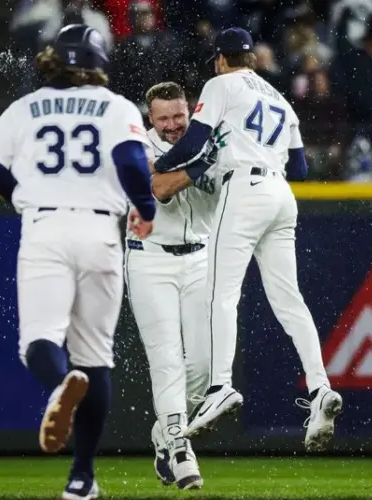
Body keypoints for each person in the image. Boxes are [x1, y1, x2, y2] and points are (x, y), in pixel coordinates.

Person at [0, 24, 155, 500]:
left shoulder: (24, 107)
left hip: (45, 229)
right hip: (101, 232)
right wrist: (148, 208)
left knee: (39, 342)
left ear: (53, 58)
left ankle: (60, 385)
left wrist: (23, 196)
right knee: (96, 358)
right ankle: (81, 477)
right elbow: (135, 166)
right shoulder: (116, 106)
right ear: (99, 61)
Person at [153, 27, 343, 451]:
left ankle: (220, 385)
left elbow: (195, 141)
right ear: (252, 58)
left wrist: (160, 166)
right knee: (290, 300)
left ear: (221, 59)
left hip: (245, 190)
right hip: (282, 195)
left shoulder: (220, 83)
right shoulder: (279, 98)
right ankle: (320, 388)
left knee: (221, 293)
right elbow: (301, 169)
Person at [124, 81, 220, 490]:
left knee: (202, 365)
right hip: (150, 259)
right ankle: (181, 449)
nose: (172, 124)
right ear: (151, 119)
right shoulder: (135, 143)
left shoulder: (210, 137)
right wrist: (204, 162)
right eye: (163, 117)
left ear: (190, 111)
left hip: (200, 257)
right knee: (166, 360)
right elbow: (160, 188)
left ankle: (166, 433)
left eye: (178, 115)